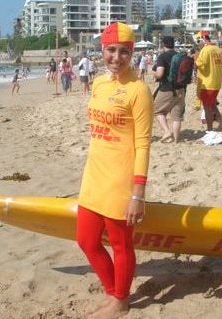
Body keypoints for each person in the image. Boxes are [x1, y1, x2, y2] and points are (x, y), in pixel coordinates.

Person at [77, 22, 153, 319]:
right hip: (94, 174)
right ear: (102, 51)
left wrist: (138, 192)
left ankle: (121, 301)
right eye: (111, 50)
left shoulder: (138, 90)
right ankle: (112, 293)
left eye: (124, 51)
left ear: (131, 53)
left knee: (121, 244)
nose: (117, 57)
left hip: (121, 178)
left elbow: (144, 143)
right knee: (86, 240)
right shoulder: (99, 83)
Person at [153, 36, 186, 143]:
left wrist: (155, 76)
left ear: (164, 44)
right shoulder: (180, 56)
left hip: (167, 88)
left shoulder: (163, 56)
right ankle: (176, 139)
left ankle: (167, 132)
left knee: (157, 110)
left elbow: (160, 73)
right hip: (181, 88)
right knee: (176, 116)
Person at [196, 35, 222, 131]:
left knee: (207, 107)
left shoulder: (206, 50)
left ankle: (209, 129)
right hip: (216, 81)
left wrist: (195, 59)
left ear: (204, 41)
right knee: (212, 104)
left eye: (199, 41)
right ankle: (221, 119)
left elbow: (200, 64)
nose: (198, 44)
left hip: (208, 82)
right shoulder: (217, 49)